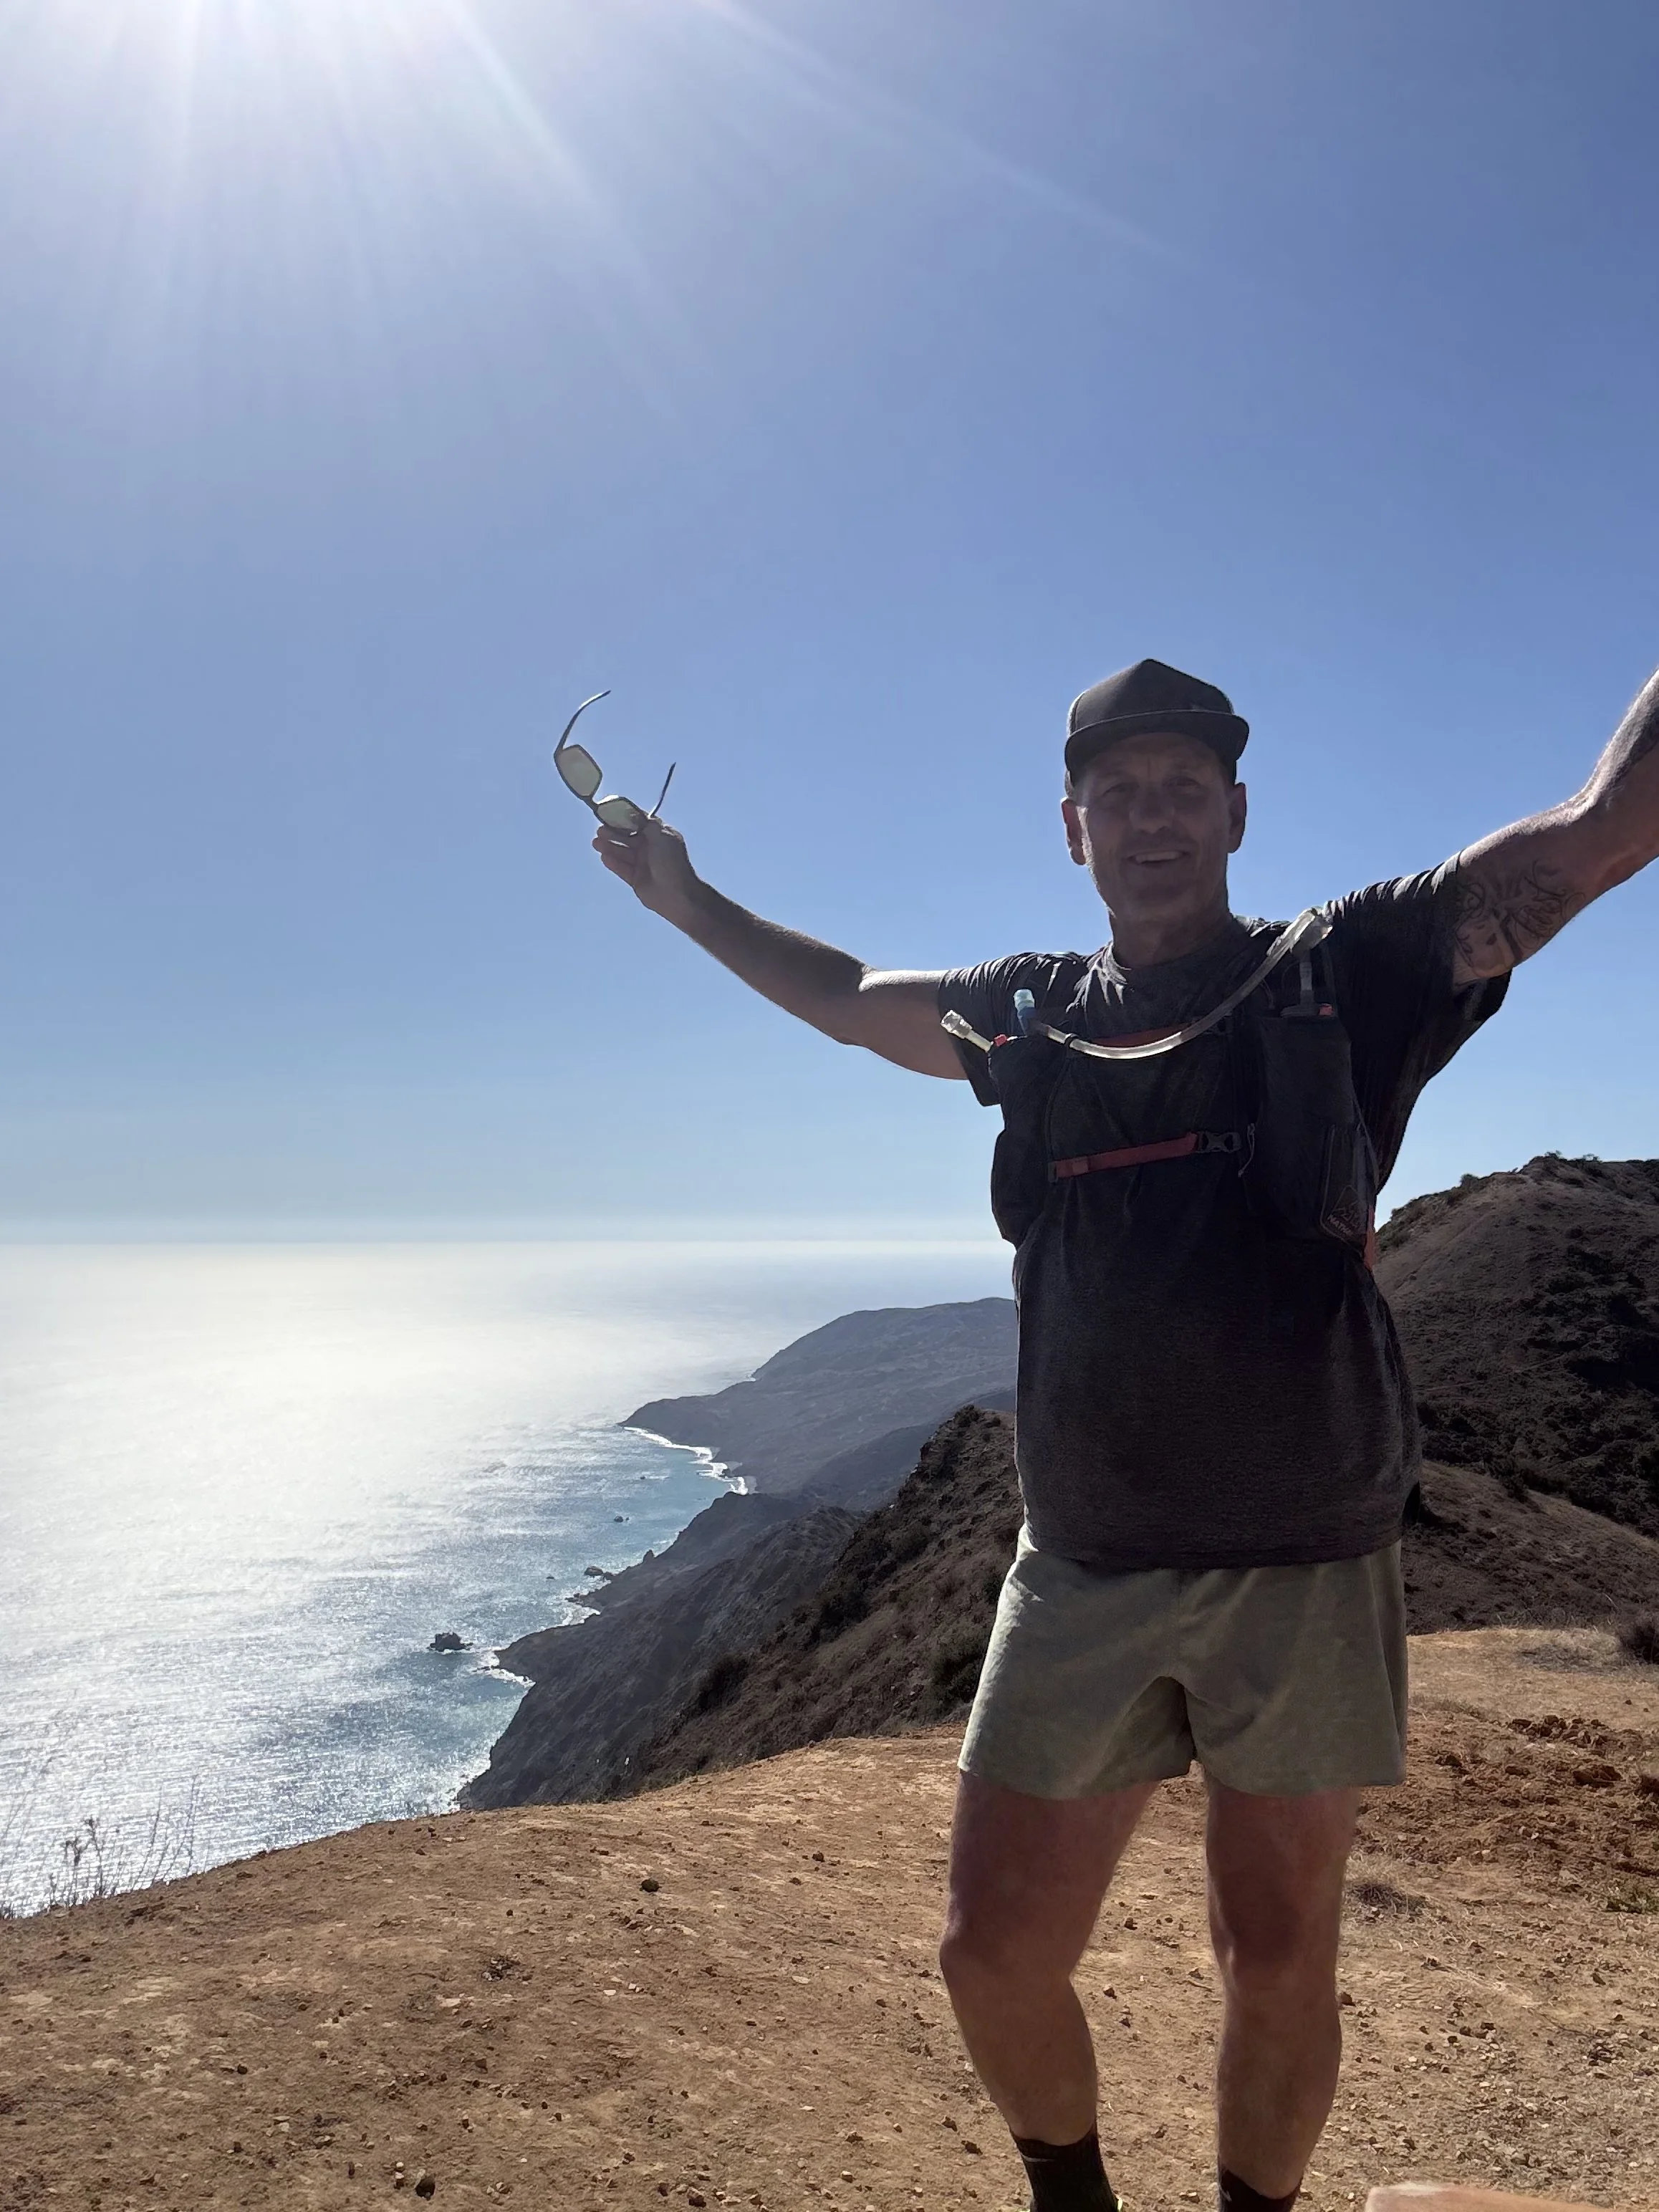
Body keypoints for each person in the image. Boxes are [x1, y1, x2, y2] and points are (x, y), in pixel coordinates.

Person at [589, 655, 1659, 2212]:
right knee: (991, 1951)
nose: (1150, 814)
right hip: (1080, 1556)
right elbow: (847, 998)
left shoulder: (1346, 962)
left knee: (1278, 1953)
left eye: (1181, 786)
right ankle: (1072, 2197)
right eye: (1118, 791)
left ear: (1234, 811)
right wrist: (688, 902)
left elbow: (1600, 832)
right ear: (1073, 829)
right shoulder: (1033, 1012)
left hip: (1300, 1554)